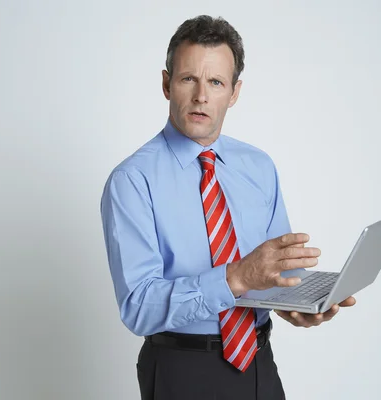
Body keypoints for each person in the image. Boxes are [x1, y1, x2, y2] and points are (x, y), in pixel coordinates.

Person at [100, 14, 356, 400]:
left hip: (258, 362)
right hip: (181, 371)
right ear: (167, 84)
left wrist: (299, 302)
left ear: (234, 92)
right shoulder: (133, 181)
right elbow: (139, 306)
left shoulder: (258, 166)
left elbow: (275, 270)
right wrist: (235, 276)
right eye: (189, 79)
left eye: (216, 82)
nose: (202, 96)